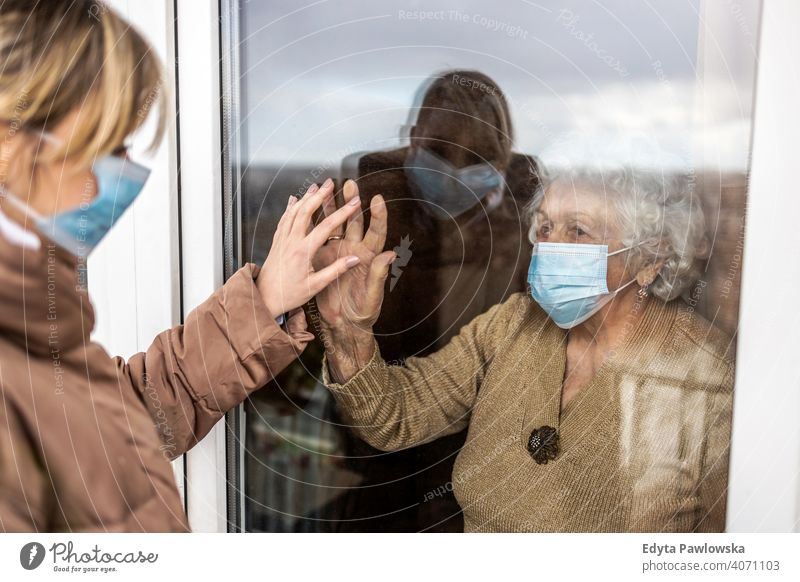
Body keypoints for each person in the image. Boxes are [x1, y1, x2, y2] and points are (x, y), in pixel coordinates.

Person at [0, 1, 362, 532]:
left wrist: (264, 304)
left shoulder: (33, 324)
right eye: (102, 144)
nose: (120, 175)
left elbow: (118, 426)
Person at [313, 145, 735, 532]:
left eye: (579, 232)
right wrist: (347, 331)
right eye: (546, 226)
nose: (550, 247)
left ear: (651, 257)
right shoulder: (514, 324)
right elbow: (396, 415)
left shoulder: (707, 377)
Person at [321, 70, 541, 531]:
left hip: (488, 442)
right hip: (375, 443)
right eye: (440, 151)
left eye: (478, 157)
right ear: (413, 139)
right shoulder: (364, 215)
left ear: (504, 161)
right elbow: (313, 340)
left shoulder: (533, 230)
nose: (457, 170)